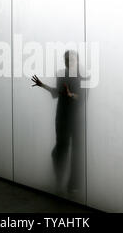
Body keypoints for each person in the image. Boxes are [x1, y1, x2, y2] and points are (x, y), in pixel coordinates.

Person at [31, 50, 85, 195]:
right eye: (67, 59)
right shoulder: (61, 74)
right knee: (61, 149)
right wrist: (42, 85)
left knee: (76, 151)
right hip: (62, 117)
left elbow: (83, 97)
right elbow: (56, 93)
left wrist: (71, 94)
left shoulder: (81, 77)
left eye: (72, 59)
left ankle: (72, 186)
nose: (69, 62)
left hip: (76, 118)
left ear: (77, 61)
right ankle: (60, 182)